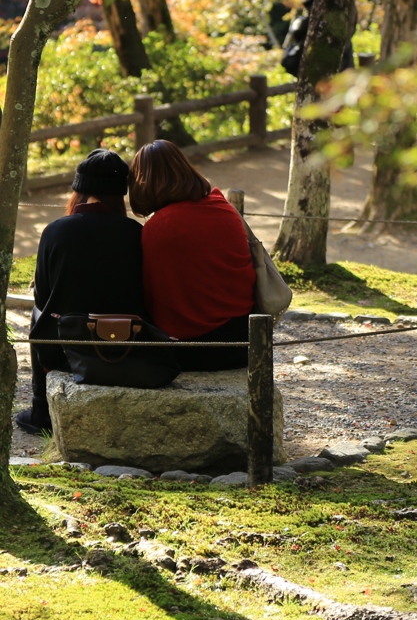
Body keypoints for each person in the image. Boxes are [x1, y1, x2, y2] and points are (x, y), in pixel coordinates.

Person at [16, 149, 146, 435]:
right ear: (120, 193)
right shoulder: (135, 233)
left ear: (80, 190)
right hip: (126, 346)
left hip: (66, 349)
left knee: (39, 313)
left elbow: (42, 296)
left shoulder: (55, 231)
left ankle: (41, 410)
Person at [128, 140, 255, 371]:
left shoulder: (156, 229)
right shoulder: (223, 208)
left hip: (191, 351)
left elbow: (151, 297)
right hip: (241, 340)